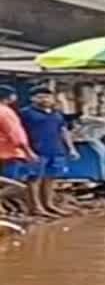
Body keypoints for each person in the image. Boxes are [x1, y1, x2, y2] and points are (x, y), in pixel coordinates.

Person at [21, 87, 79, 217]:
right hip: (36, 151)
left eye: (47, 97)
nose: (45, 99)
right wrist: (26, 150)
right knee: (34, 179)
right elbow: (19, 133)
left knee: (51, 178)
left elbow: (63, 131)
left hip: (56, 150)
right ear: (33, 99)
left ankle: (49, 204)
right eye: (40, 97)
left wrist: (71, 148)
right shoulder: (26, 113)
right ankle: (36, 207)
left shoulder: (56, 113)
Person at [0, 85, 37, 215]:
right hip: (10, 153)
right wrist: (28, 151)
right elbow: (16, 136)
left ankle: (5, 210)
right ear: (9, 97)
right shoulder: (6, 112)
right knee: (15, 185)